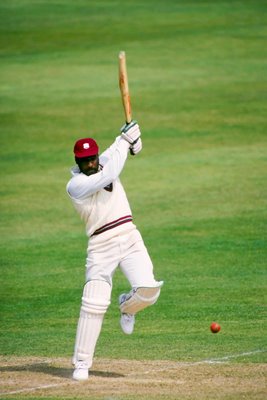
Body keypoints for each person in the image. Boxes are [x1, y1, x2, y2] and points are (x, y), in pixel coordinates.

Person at [66, 121, 163, 381]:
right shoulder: (75, 186)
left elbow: (113, 153)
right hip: (101, 245)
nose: (90, 163)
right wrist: (125, 141)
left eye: (92, 158)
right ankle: (82, 364)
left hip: (130, 236)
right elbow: (108, 174)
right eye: (84, 160)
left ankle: (128, 307)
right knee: (94, 302)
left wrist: (131, 140)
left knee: (149, 290)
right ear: (78, 160)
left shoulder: (103, 161)